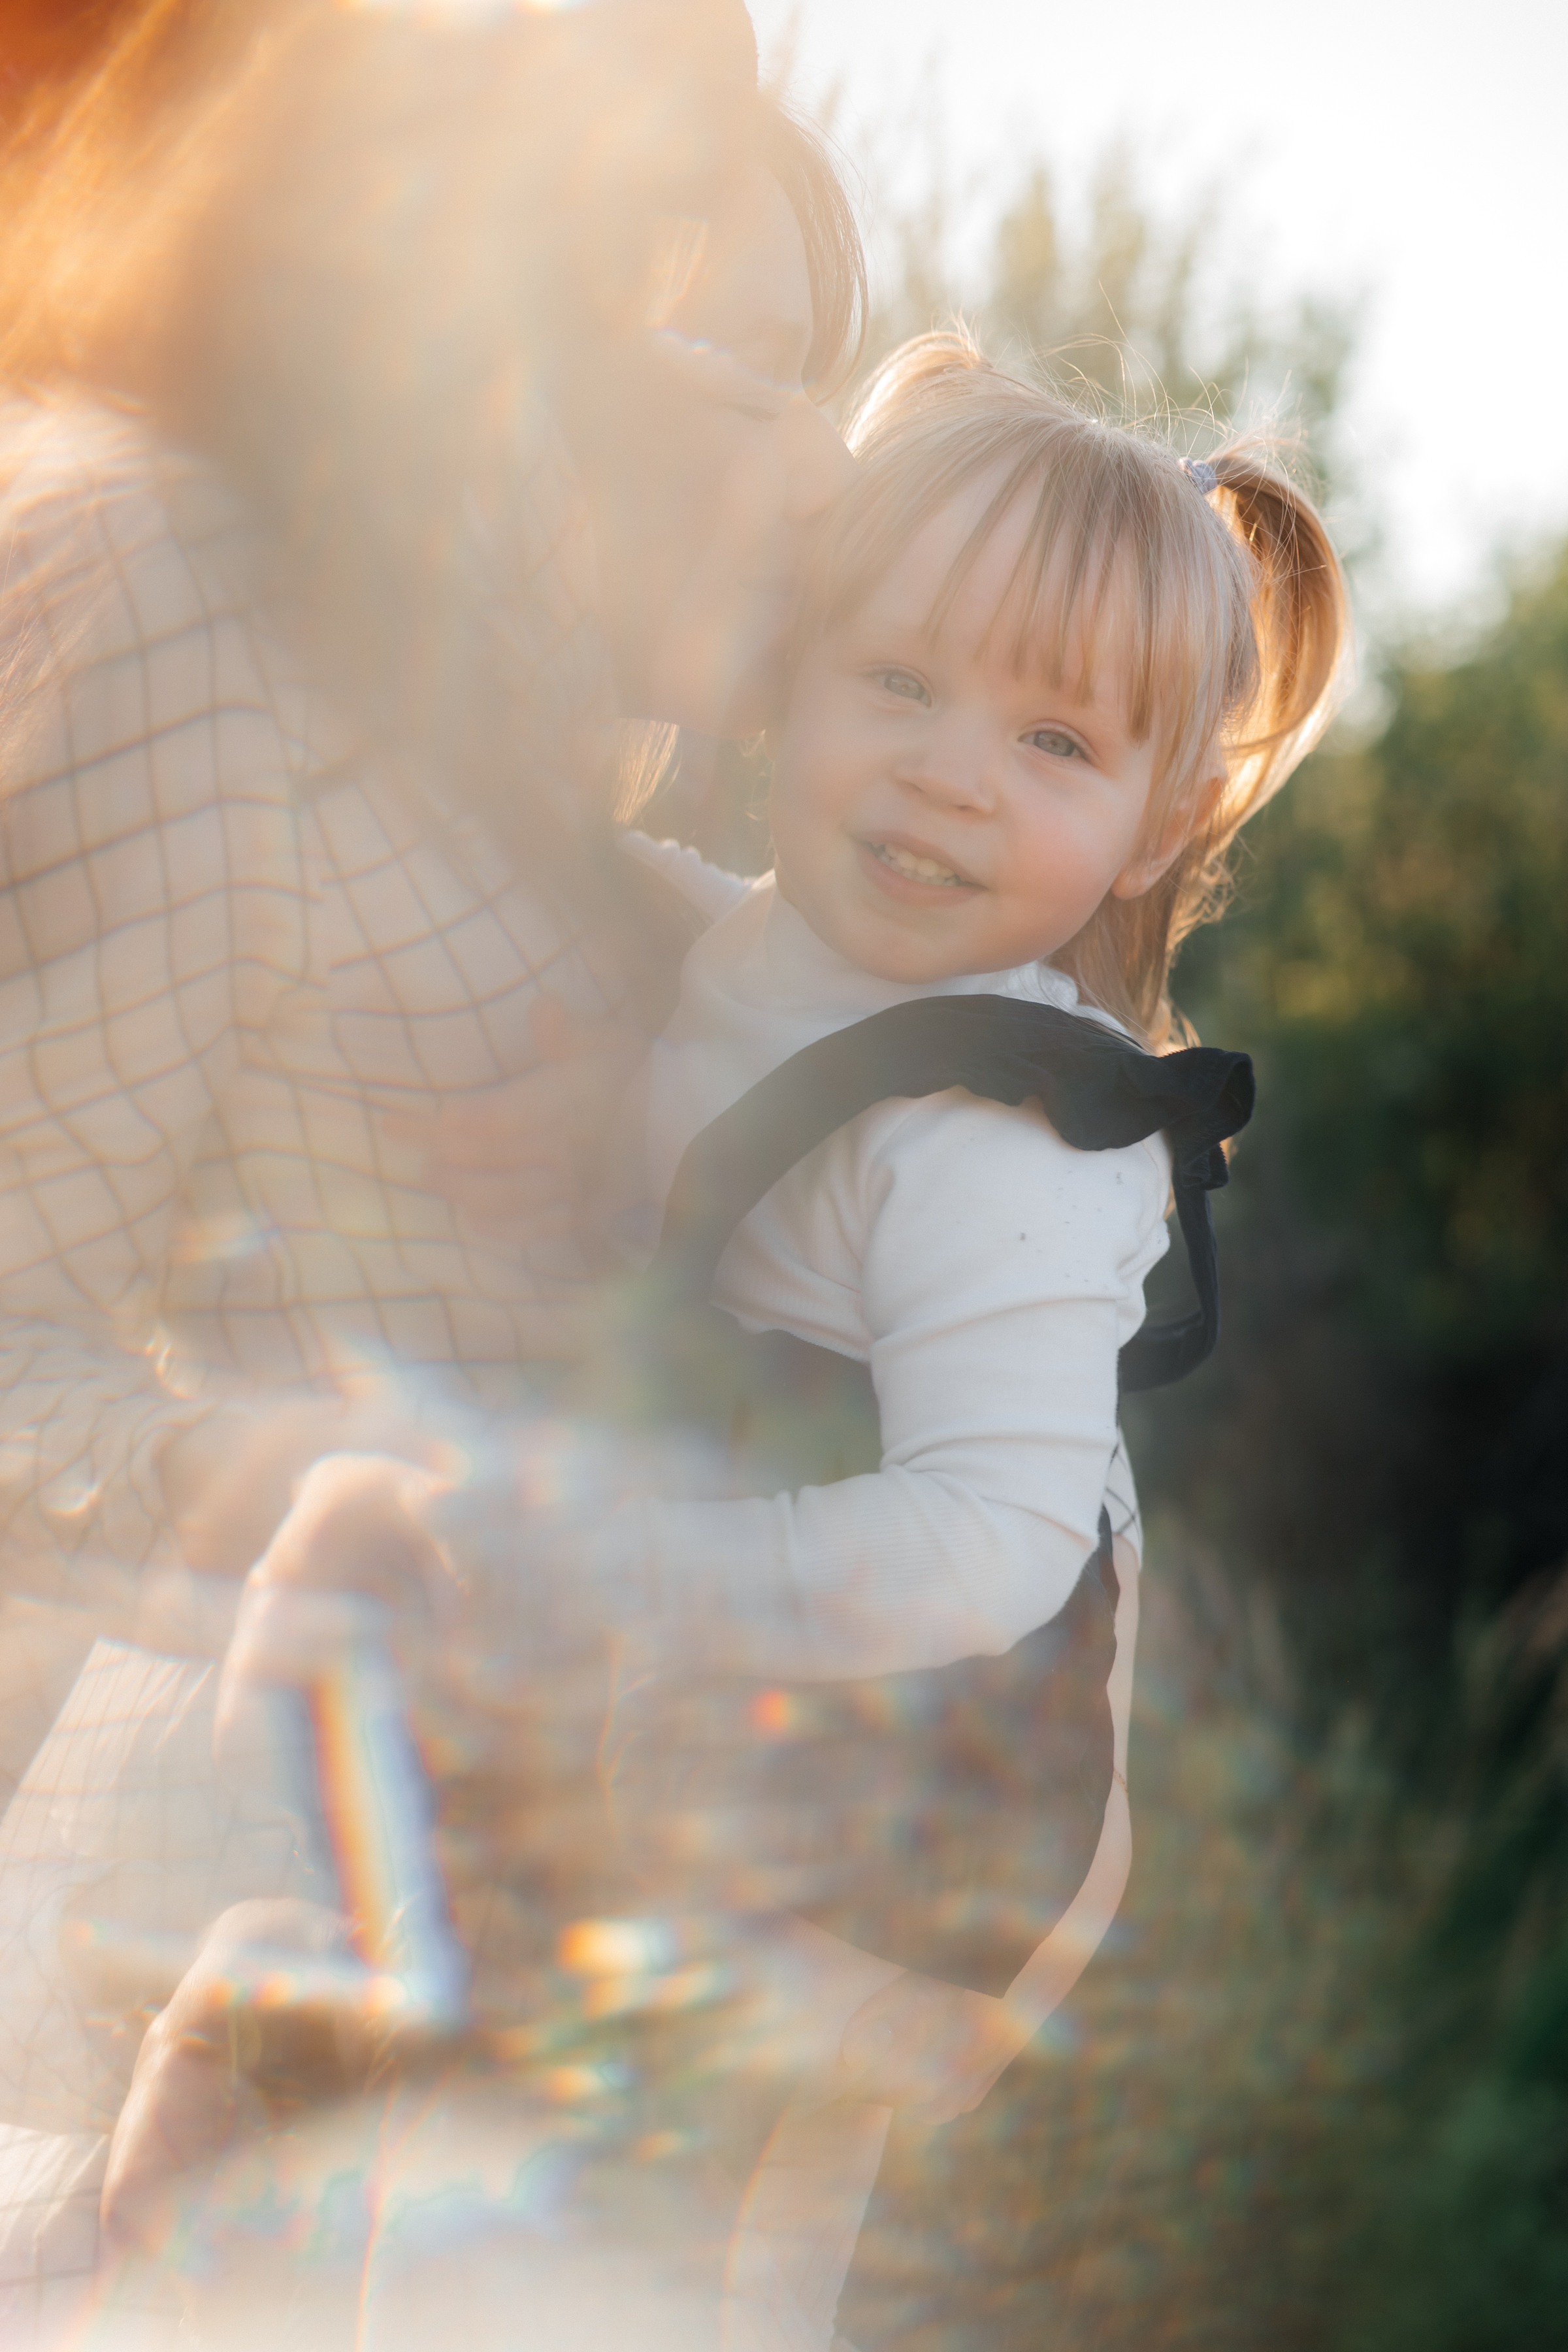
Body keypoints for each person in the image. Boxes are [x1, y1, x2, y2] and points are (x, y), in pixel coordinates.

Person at [193, 329, 1345, 2347]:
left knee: (646, 2267)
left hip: (877, 1839)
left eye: (1053, 744)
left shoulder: (1008, 1140)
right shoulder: (766, 941)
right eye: (896, 681)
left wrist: (628, 1571)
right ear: (792, 673)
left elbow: (993, 1545)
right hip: (720, 1760)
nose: (946, 766)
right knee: (407, 2129)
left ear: (1157, 830)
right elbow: (649, 926)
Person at [0, 0, 866, 2336]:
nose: (776, 433)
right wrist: (314, 1469)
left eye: (807, 368)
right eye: (690, 330)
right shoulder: (230, 724)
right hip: (170, 1996)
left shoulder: (772, 983)